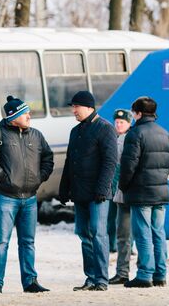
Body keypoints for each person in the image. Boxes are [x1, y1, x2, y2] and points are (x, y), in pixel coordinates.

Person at [0, 96, 54, 294]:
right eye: (24, 113)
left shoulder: (36, 135)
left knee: (28, 242)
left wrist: (40, 177)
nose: (29, 115)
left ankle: (30, 282)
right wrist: (2, 177)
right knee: (1, 241)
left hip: (29, 198)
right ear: (13, 117)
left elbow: (48, 157)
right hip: (6, 197)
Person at [59, 91, 117, 292]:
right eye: (73, 107)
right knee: (84, 234)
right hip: (80, 192)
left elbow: (110, 162)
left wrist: (103, 188)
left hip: (98, 194)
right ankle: (91, 278)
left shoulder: (105, 129)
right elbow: (69, 162)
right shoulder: (75, 131)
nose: (73, 110)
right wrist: (64, 188)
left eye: (76, 106)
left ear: (89, 108)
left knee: (98, 233)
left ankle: (102, 279)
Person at [119, 96, 169, 288]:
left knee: (143, 234)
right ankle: (160, 275)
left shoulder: (135, 134)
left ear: (138, 113)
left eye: (133, 112)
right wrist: (159, 180)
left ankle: (144, 275)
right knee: (158, 233)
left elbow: (128, 166)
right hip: (161, 193)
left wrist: (123, 186)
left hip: (141, 193)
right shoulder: (166, 134)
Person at [109, 109, 134, 285]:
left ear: (129, 123)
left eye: (122, 122)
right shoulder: (111, 138)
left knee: (129, 233)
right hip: (113, 191)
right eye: (116, 122)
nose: (118, 124)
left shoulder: (133, 139)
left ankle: (145, 272)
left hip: (127, 192)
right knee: (117, 229)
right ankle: (122, 271)